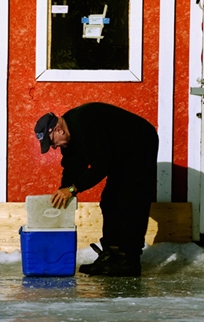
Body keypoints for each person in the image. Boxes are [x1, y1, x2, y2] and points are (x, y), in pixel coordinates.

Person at [34, 102, 158, 277]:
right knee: (109, 201)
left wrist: (72, 189)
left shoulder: (84, 127)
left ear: (58, 130)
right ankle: (111, 254)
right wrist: (63, 190)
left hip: (139, 144)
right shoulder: (69, 137)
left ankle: (129, 259)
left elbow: (101, 167)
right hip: (117, 152)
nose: (54, 147)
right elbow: (72, 166)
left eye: (52, 143)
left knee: (131, 199)